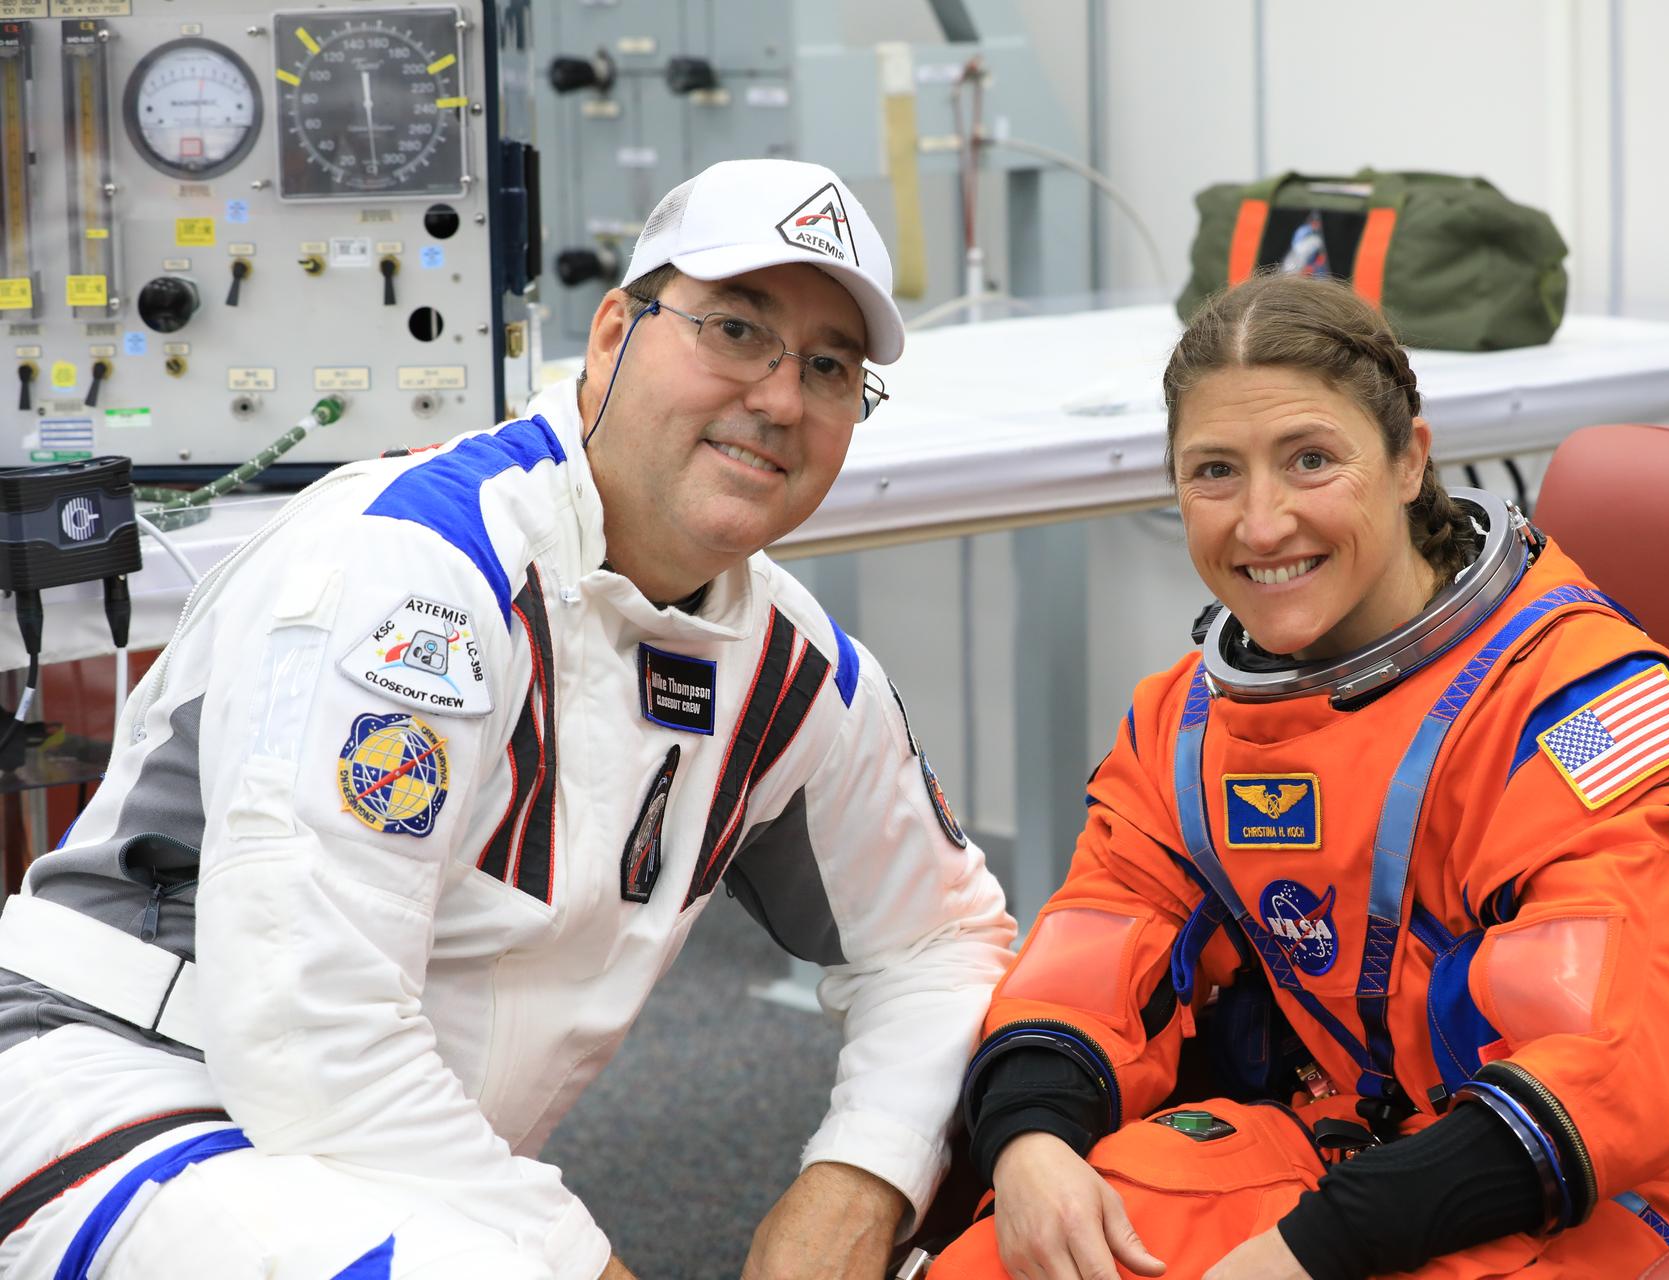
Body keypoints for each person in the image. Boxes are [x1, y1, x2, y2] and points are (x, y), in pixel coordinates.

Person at [0, 158, 1016, 1280]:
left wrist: (863, 1173)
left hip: (390, 1171)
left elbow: (942, 939)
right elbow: (311, 1039)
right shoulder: (419, 572)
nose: (779, 397)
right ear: (614, 330)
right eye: (734, 328)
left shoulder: (790, 668)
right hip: (122, 1099)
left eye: (830, 368)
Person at [931, 273, 1669, 1279]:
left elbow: (1616, 1065)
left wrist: (1320, 1246)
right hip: (1347, 1138)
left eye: (1311, 460)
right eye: (1215, 471)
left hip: (1633, 1180)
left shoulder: (1582, 713)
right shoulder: (1185, 726)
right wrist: (1032, 1142)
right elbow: (1091, 958)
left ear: (1409, 460)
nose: (1261, 524)